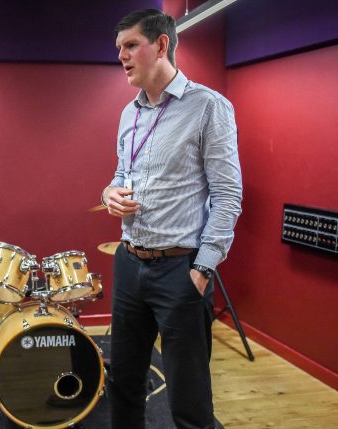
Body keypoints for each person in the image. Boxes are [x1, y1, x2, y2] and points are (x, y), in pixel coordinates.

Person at [101, 9, 242, 429]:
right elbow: (120, 175)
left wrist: (202, 269)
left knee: (189, 399)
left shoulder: (208, 107)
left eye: (130, 46)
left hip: (181, 269)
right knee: (123, 384)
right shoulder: (130, 114)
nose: (122, 56)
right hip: (129, 263)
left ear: (161, 45)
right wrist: (109, 193)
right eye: (119, 49)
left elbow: (228, 195)